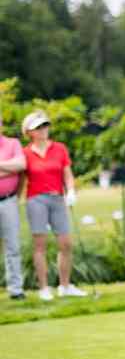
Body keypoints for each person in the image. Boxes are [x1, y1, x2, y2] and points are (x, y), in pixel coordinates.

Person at [21, 111, 86, 302]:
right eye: (38, 128)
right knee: (40, 245)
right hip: (36, 200)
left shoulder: (59, 148)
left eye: (45, 126)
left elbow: (67, 174)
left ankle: (65, 286)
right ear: (29, 132)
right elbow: (21, 180)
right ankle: (43, 288)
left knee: (66, 243)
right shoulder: (25, 153)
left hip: (57, 198)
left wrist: (71, 191)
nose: (43, 130)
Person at [0, 112, 26, 300]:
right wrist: (8, 169)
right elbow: (14, 167)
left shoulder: (13, 144)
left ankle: (15, 290)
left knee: (13, 246)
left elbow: (21, 164)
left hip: (8, 201)